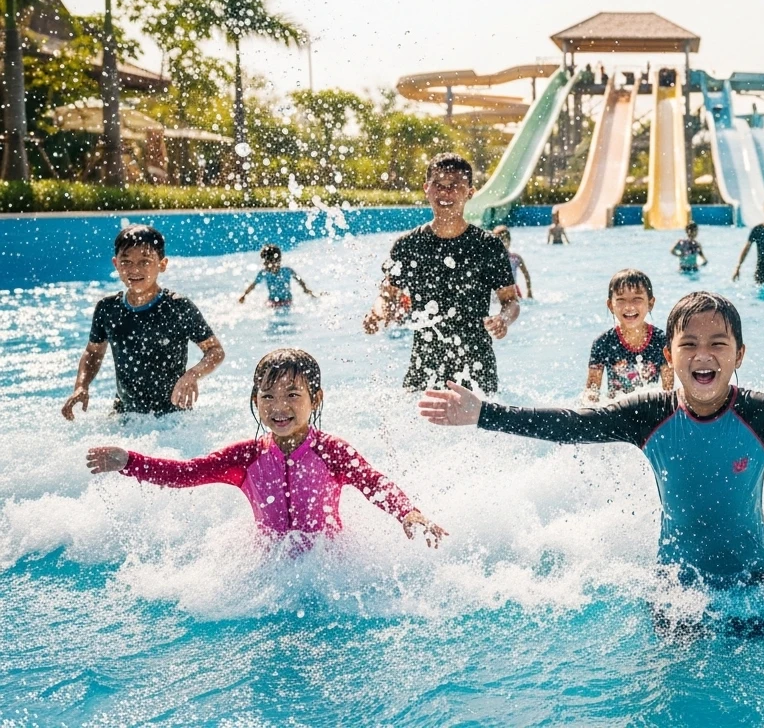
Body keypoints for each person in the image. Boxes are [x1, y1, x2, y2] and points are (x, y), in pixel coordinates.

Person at [418, 292, 764, 588]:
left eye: (719, 343)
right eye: (689, 344)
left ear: (740, 355)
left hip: (757, 583)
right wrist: (484, 413)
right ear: (669, 357)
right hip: (675, 586)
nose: (704, 354)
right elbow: (571, 425)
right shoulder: (648, 413)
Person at [85, 348, 446, 547]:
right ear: (255, 399)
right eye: (268, 396)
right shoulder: (246, 457)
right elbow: (187, 473)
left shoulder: (331, 452)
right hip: (270, 568)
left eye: (292, 395)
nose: (279, 407)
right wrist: (129, 461)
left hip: (328, 565)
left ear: (315, 399)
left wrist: (407, 513)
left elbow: (373, 482)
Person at [364, 153, 519, 393]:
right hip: (425, 363)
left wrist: (502, 319)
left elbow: (510, 302)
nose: (446, 193)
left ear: (470, 192)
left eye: (455, 186)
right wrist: (378, 314)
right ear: (427, 189)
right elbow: (387, 295)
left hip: (477, 366)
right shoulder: (407, 245)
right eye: (439, 185)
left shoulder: (488, 246)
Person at [62, 225, 225, 419]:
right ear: (116, 264)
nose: (134, 269)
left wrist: (193, 375)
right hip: (125, 414)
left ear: (162, 264)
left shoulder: (177, 307)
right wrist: (81, 386)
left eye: (145, 261)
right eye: (126, 261)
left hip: (172, 416)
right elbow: (93, 352)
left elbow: (215, 350)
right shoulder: (107, 309)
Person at [585, 269, 674, 402]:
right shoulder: (603, 343)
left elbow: (669, 391)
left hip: (649, 409)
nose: (629, 307)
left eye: (637, 299)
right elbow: (592, 392)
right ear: (610, 305)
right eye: (621, 300)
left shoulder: (661, 341)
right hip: (616, 410)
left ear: (650, 303)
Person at [238, 243, 317, 306]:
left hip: (287, 301)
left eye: (266, 262)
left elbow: (299, 280)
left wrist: (306, 290)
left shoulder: (286, 271)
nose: (265, 264)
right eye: (264, 262)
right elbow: (253, 285)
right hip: (272, 301)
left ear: (278, 261)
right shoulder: (264, 273)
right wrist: (244, 295)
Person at [492, 226, 533, 299]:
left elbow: (526, 274)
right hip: (497, 291)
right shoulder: (492, 259)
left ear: (509, 241)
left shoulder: (516, 258)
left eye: (504, 240)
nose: (502, 244)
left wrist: (529, 291)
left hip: (513, 290)